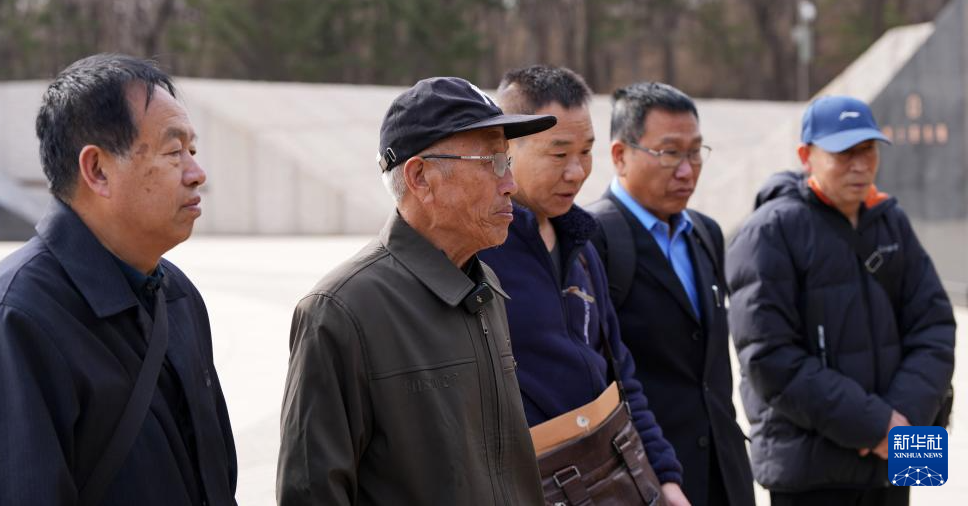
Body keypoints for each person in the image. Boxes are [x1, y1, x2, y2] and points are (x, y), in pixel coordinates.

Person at [277, 76, 555, 506]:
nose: (510, 185)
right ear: (421, 177)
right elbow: (311, 493)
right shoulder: (341, 311)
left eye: (508, 162)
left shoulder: (485, 287)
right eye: (492, 162)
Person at [0, 54, 237, 506]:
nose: (197, 174)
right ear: (97, 170)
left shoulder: (178, 295)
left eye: (192, 151)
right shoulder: (14, 318)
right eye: (173, 152)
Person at [726, 95, 956, 506]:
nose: (861, 164)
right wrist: (876, 425)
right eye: (844, 153)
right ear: (806, 156)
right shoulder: (768, 231)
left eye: (868, 150)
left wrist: (903, 422)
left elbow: (935, 326)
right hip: (813, 469)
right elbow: (768, 358)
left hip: (902, 446)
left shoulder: (891, 219)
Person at [479, 66, 691, 506]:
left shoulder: (582, 247)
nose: (577, 172)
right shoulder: (478, 255)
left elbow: (621, 377)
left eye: (586, 151)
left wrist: (665, 477)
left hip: (609, 479)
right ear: (506, 148)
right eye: (559, 154)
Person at [586, 82, 754, 506]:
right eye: (669, 153)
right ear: (620, 155)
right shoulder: (592, 239)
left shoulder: (705, 233)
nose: (687, 170)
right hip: (648, 480)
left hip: (725, 474)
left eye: (695, 152)